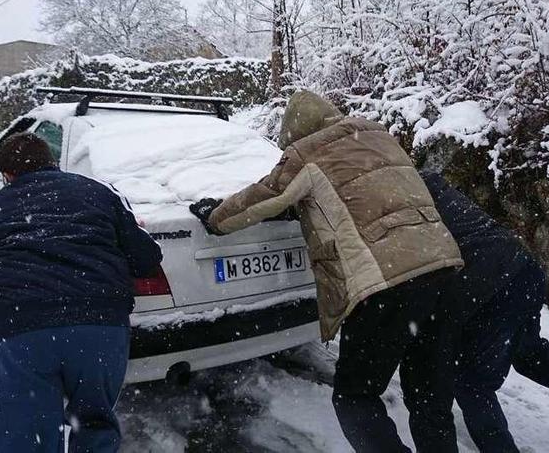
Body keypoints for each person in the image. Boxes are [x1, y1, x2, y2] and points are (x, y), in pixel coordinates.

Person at [189, 90, 464, 452]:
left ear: (294, 135)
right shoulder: (378, 134)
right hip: (444, 270)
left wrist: (216, 217)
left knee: (355, 398)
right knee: (429, 398)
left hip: (385, 283)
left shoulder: (307, 152)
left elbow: (264, 196)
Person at [399, 171, 549, 452]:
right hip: (521, 269)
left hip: (487, 286)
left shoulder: (392, 199)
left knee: (471, 380)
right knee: (529, 352)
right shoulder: (426, 179)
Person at [0, 132, 162, 453]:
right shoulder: (98, 193)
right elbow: (146, 259)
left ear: (7, 176)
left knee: (23, 435)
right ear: (52, 162)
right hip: (99, 327)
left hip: (21, 330)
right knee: (94, 425)